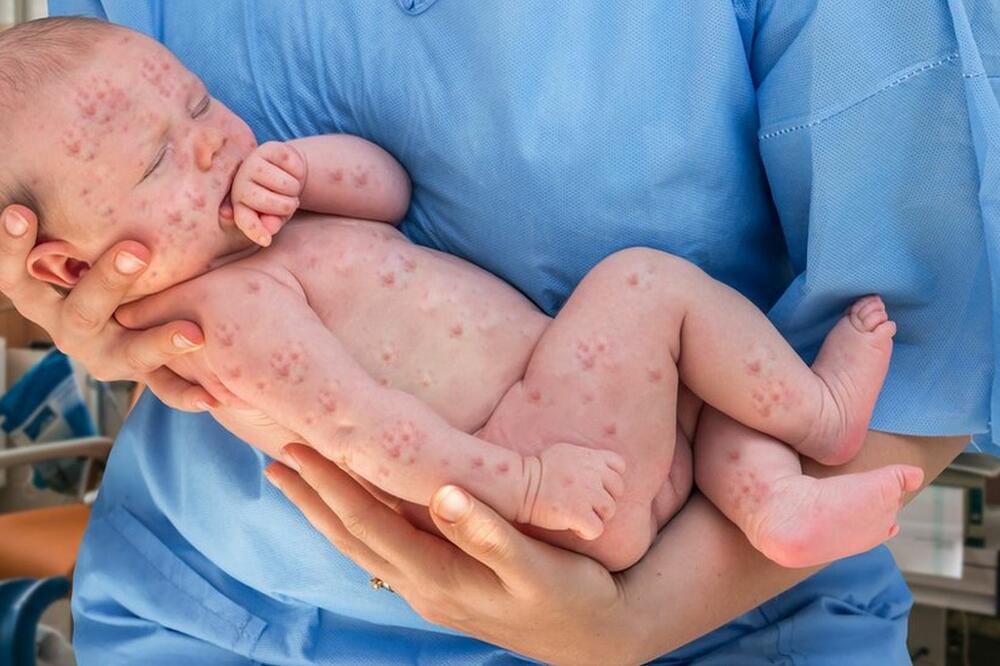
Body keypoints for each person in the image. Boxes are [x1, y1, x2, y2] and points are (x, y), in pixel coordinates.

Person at [0, 1, 992, 663]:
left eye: (200, 105)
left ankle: (778, 487)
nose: (212, 135)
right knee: (656, 308)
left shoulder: (251, 204)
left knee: (701, 374)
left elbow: (935, 339)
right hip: (283, 581)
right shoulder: (236, 304)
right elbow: (362, 424)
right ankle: (798, 434)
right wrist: (90, 326)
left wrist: (643, 621)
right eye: (165, 154)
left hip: (711, 604)